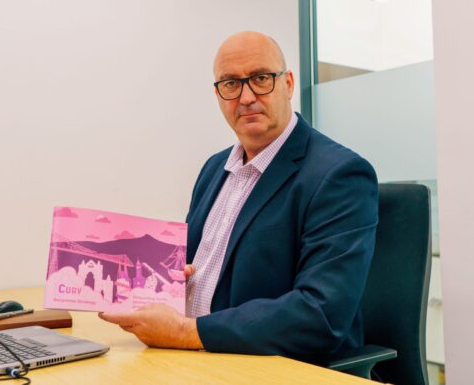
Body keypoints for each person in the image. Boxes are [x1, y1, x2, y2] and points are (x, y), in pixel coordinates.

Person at [99, 31, 378, 361]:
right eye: (230, 84)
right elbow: (193, 270)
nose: (246, 97)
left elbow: (320, 314)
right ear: (218, 95)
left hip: (273, 367)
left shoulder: (339, 175)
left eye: (261, 78)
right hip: (191, 357)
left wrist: (183, 332)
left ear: (288, 84)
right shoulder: (214, 168)